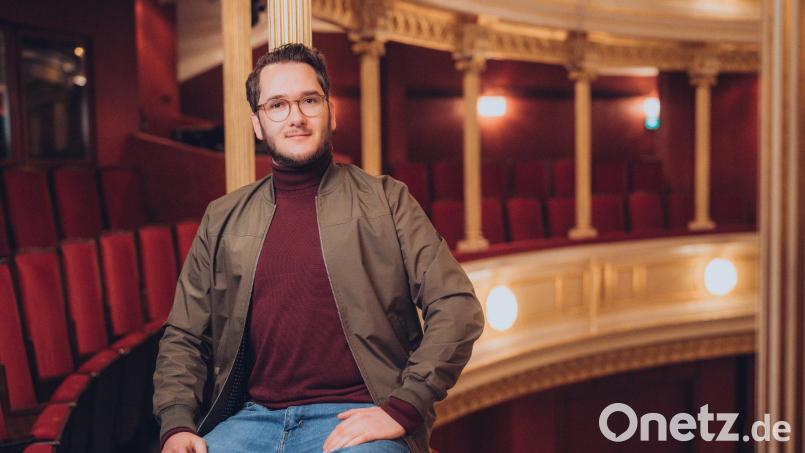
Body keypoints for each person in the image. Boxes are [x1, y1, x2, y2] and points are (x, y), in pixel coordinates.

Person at [153, 43, 484, 453]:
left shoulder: (388, 201)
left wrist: (403, 406)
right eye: (277, 105)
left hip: (356, 417)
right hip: (251, 420)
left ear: (331, 111)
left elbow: (456, 306)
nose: (295, 117)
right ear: (257, 124)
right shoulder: (222, 218)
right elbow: (185, 335)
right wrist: (176, 423)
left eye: (309, 100)